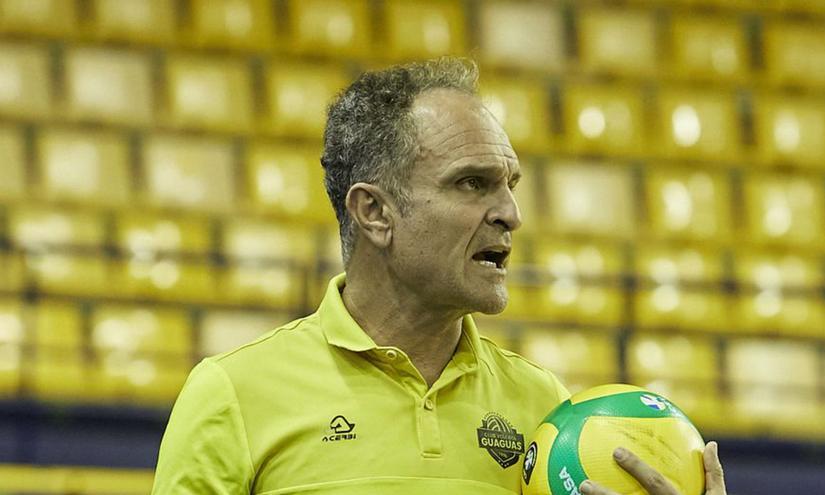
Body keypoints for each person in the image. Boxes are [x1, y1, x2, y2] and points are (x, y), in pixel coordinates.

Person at [151, 58, 726, 495]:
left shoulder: (550, 415)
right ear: (374, 212)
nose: (510, 213)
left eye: (510, 184)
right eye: (471, 183)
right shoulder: (232, 394)